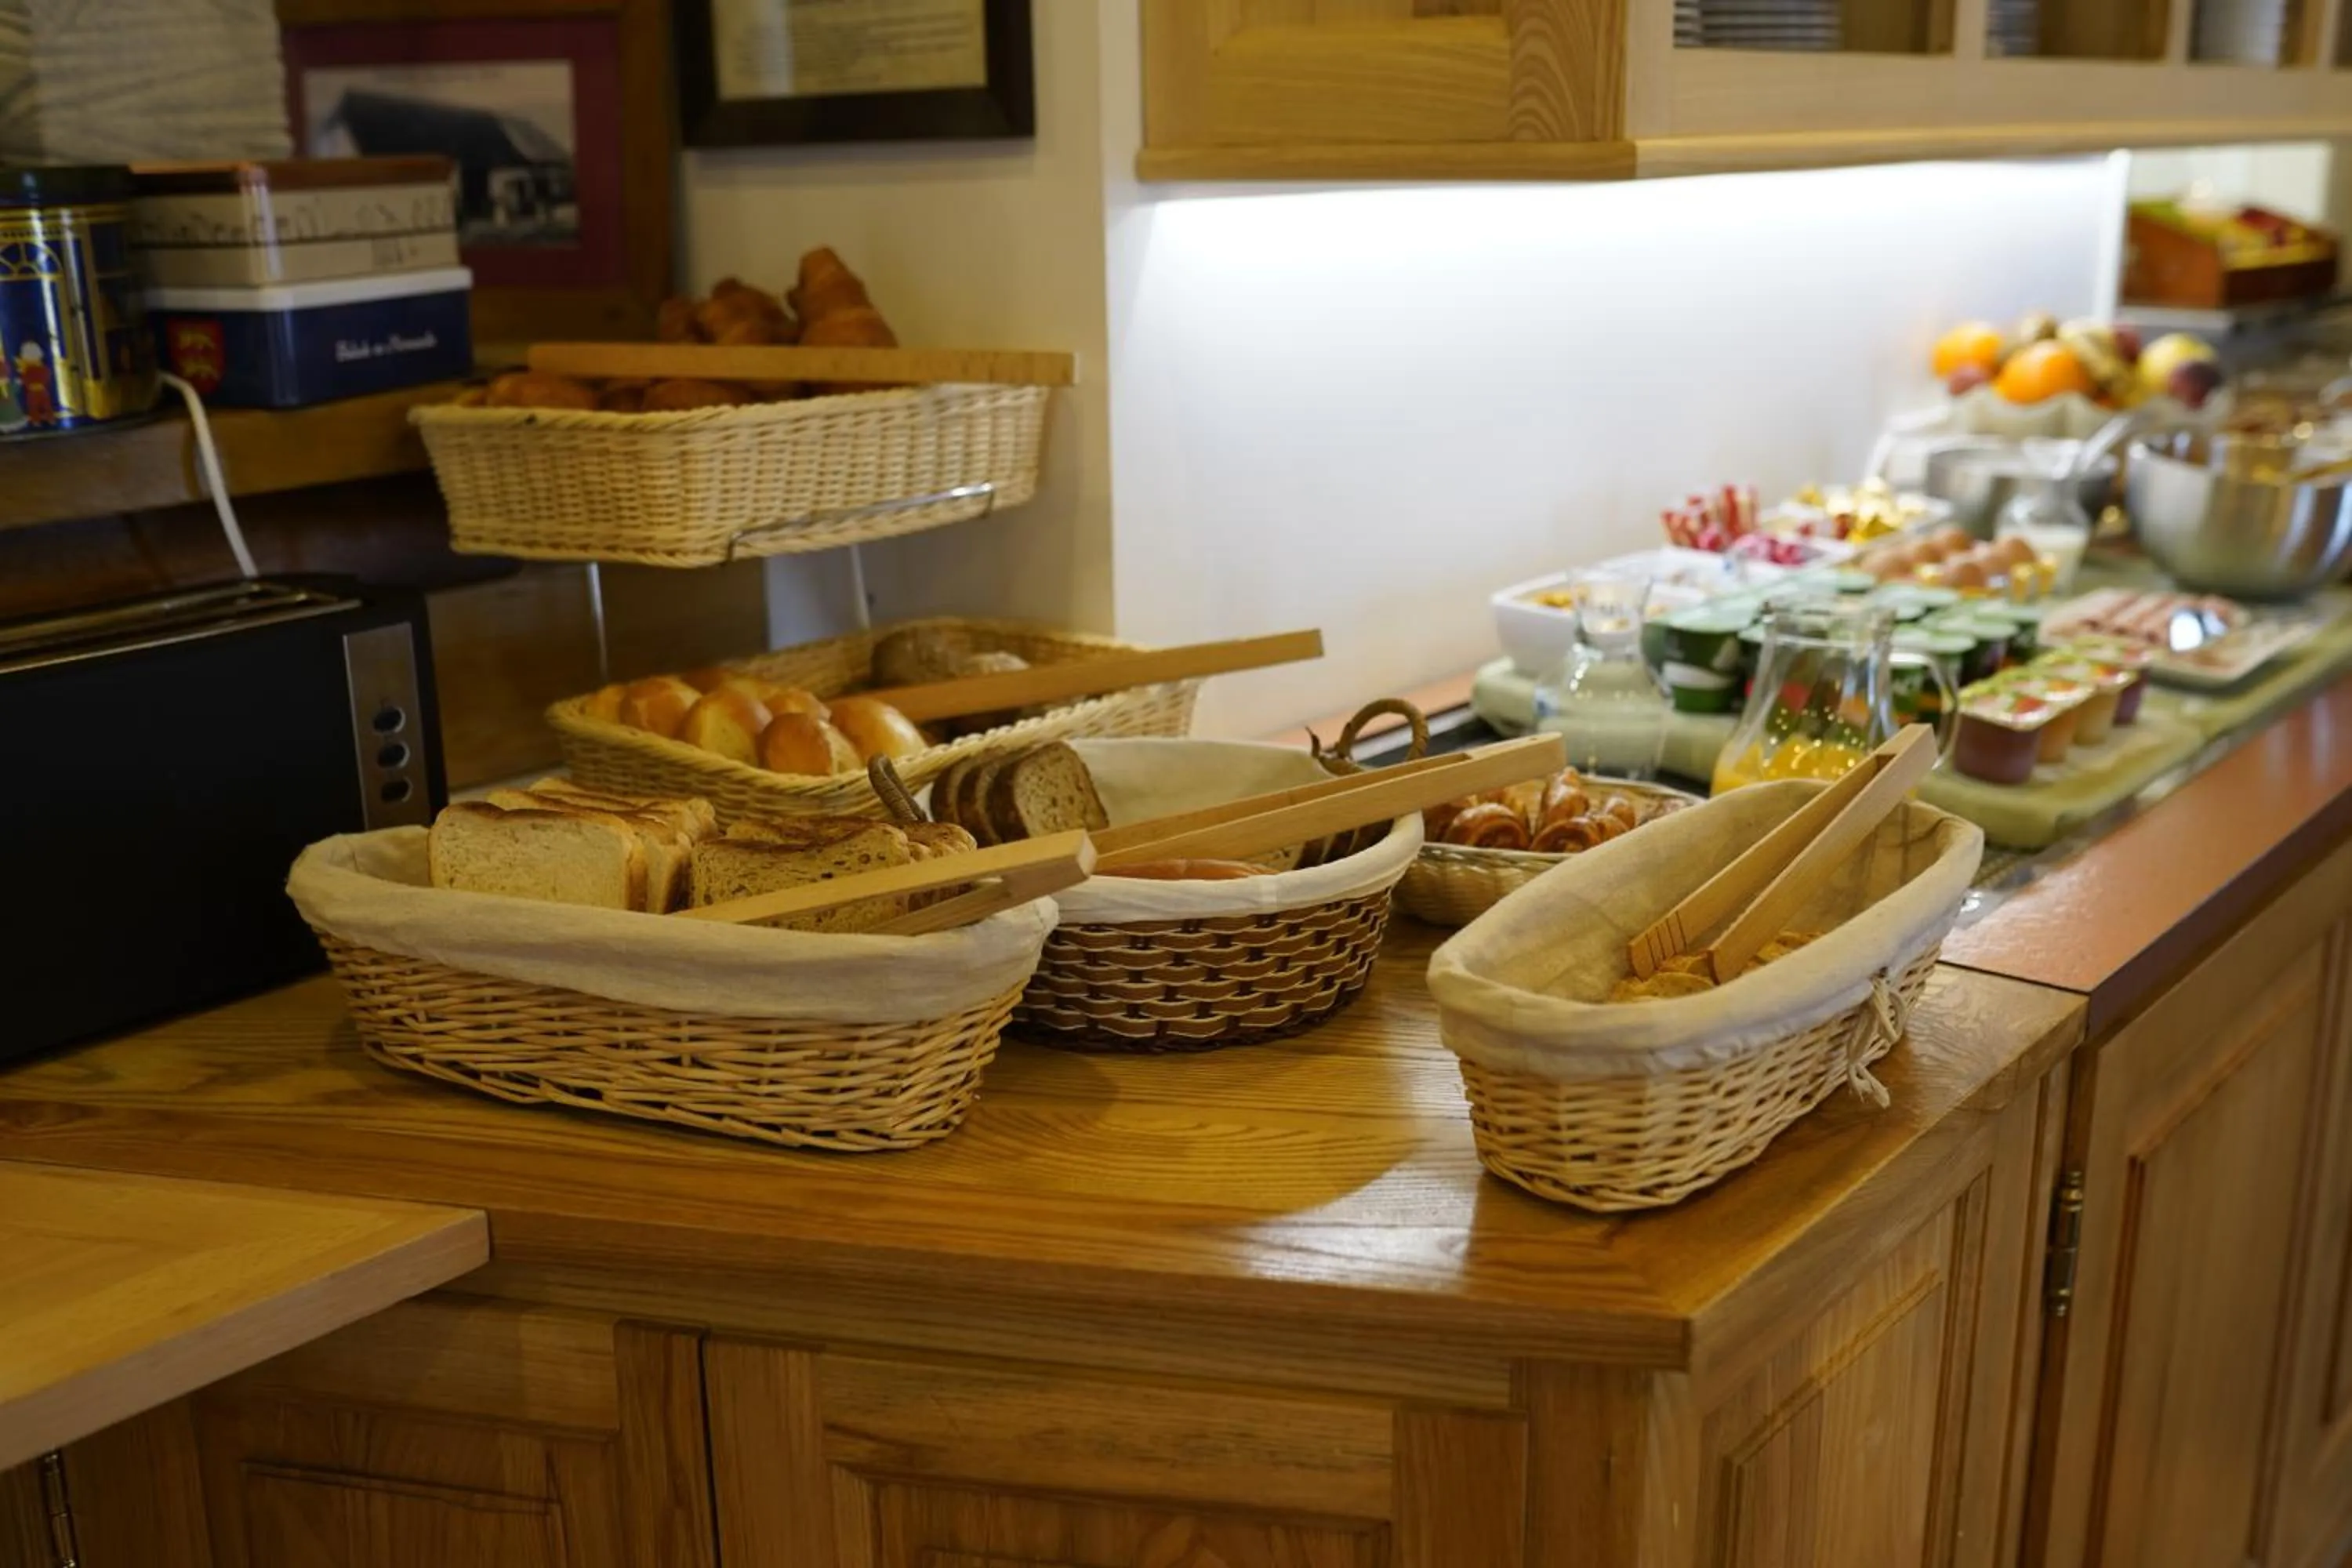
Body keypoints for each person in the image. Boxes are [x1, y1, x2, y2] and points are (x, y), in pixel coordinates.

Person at [15, 341, 54, 425]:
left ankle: (48, 418)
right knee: (34, 406)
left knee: (44, 405)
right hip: (35, 391)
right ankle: (38, 419)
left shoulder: (40, 369)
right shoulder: (28, 370)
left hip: (39, 391)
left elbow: (25, 379)